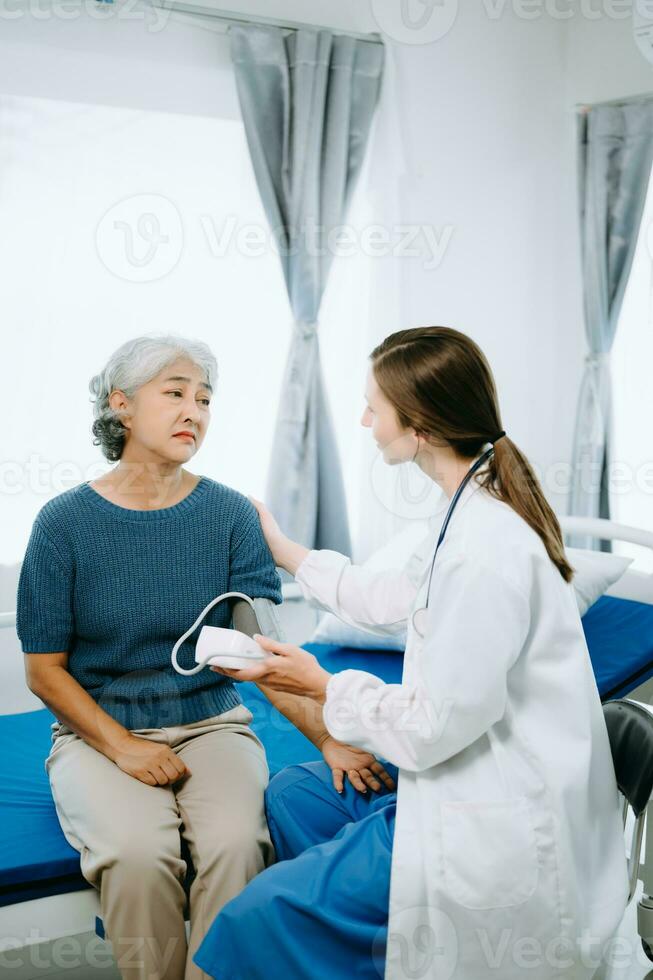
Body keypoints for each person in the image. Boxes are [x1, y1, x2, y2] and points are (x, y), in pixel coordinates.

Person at [194, 326, 630, 980]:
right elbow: (393, 596)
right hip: (457, 769)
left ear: (418, 424)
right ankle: (358, 930)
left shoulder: (487, 552)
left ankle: (330, 915)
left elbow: (430, 730)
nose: (366, 420)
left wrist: (320, 684)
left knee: (250, 920)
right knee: (294, 794)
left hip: (486, 815)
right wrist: (282, 547)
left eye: (375, 406)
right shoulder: (463, 510)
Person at [16, 333, 392, 980]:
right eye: (175, 393)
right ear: (121, 406)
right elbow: (43, 671)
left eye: (205, 398)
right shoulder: (63, 524)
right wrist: (124, 747)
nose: (194, 410)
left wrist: (327, 739)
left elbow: (267, 653)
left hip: (211, 723)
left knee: (238, 844)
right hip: (100, 734)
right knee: (137, 855)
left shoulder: (229, 516)